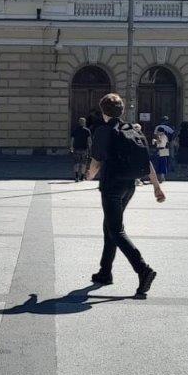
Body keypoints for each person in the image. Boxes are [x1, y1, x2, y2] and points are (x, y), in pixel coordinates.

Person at [86, 93, 166, 298]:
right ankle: (105, 272)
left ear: (103, 111)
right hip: (129, 186)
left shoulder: (104, 131)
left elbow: (96, 161)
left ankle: (143, 270)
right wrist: (156, 186)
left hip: (111, 186)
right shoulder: (132, 130)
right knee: (109, 227)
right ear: (121, 111)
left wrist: (89, 175)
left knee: (116, 230)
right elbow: (145, 160)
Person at [69, 117, 91, 182]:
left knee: (76, 163)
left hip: (76, 149)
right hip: (84, 149)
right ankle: (82, 177)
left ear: (79, 122)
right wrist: (90, 149)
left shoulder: (75, 130)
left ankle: (76, 176)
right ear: (84, 123)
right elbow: (89, 141)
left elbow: (72, 140)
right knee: (84, 163)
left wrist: (71, 147)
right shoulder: (87, 131)